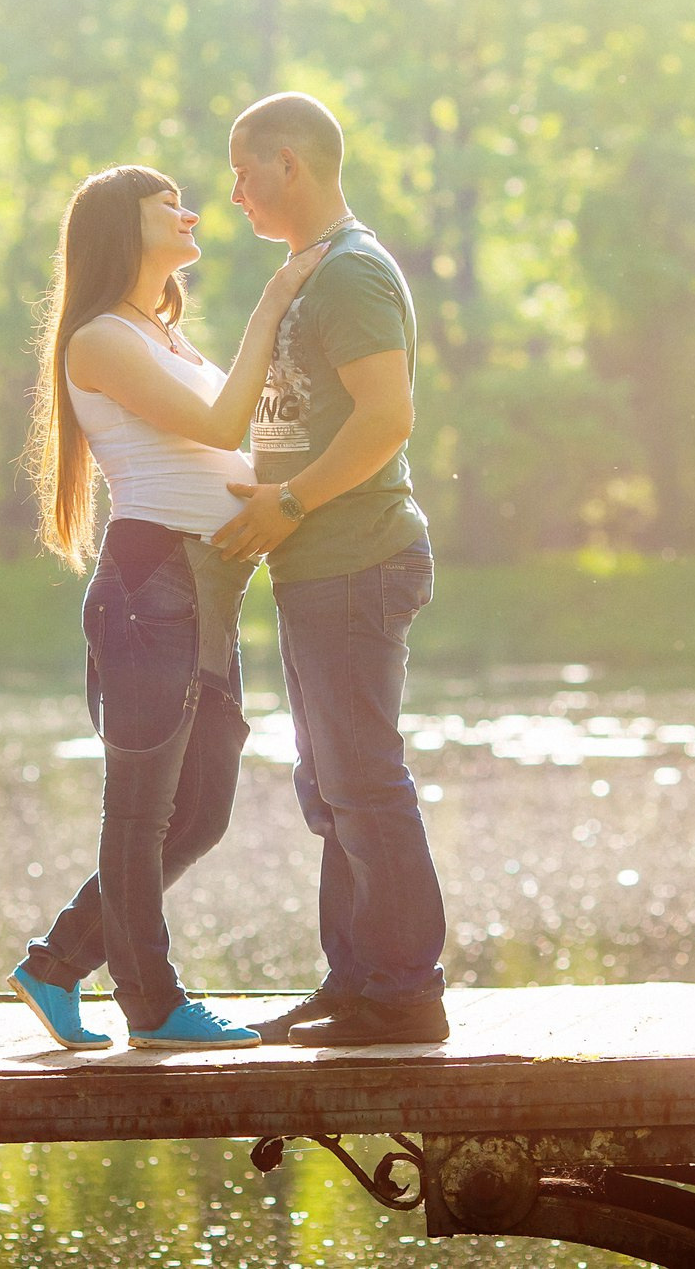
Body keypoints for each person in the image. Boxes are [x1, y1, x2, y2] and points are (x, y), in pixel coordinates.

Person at [8, 164, 326, 1051]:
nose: (190, 213)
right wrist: (274, 304)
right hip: (153, 590)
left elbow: (251, 432)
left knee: (202, 810)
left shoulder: (163, 336)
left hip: (207, 593)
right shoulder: (100, 338)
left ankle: (57, 962)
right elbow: (221, 429)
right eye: (166, 205)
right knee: (143, 810)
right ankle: (151, 1003)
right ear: (122, 227)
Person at [209, 92, 449, 1046]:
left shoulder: (349, 275)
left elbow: (386, 419)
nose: (233, 192)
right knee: (329, 780)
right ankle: (356, 982)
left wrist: (291, 503)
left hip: (356, 557)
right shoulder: (309, 277)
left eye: (243, 171)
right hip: (315, 565)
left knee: (362, 776)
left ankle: (405, 993)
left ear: (289, 165)